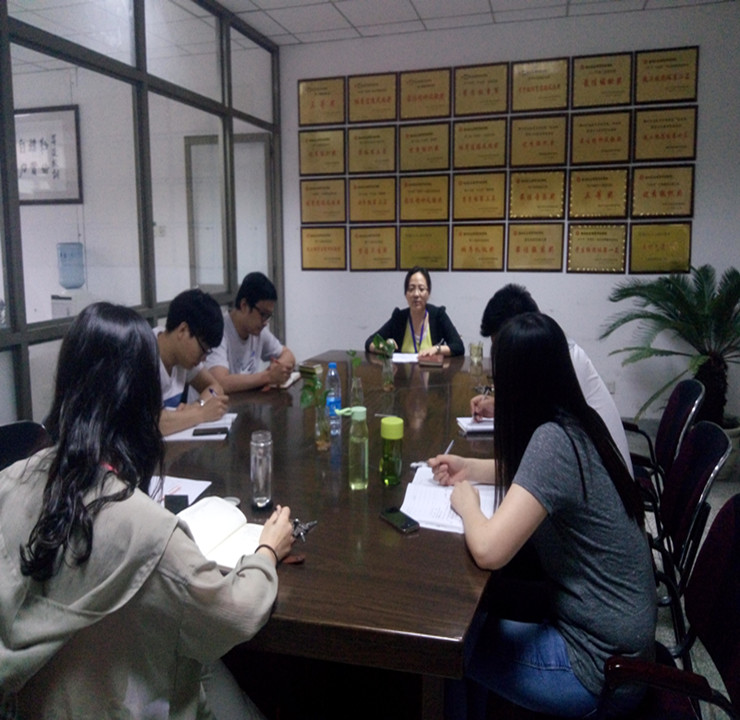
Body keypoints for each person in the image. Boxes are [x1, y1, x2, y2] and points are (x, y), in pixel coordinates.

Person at [0, 302, 295, 719]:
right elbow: (236, 613)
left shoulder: (10, 481)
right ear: (141, 397)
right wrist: (266, 552)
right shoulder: (147, 529)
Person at [430, 313, 655, 719]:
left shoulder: (554, 442)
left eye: (498, 383)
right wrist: (470, 467)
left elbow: (488, 550)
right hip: (611, 639)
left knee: (447, 648)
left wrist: (467, 504)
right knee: (474, 620)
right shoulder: (577, 421)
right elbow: (537, 481)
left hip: (598, 668)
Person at [469, 284, 633, 474]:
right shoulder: (552, 351)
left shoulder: (560, 362)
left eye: (503, 349)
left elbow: (534, 465)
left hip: (602, 474)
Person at [155, 288, 229, 436]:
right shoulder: (143, 355)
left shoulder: (182, 359)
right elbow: (149, 424)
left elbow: (215, 388)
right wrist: (201, 414)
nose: (204, 358)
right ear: (183, 330)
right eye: (203, 350)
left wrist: (198, 405)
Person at [206, 272, 296, 393]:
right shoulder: (218, 330)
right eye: (263, 314)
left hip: (244, 402)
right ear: (244, 305)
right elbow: (220, 383)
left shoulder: (258, 331)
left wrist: (279, 368)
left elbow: (288, 354)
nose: (265, 322)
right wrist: (268, 376)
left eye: (268, 316)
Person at [364, 266, 464, 357]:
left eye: (421, 289)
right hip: (403, 371)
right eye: (411, 289)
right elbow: (369, 342)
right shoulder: (399, 318)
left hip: (432, 371)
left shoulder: (438, 315)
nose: (416, 294)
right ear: (406, 294)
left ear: (428, 293)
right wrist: (384, 347)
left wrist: (437, 349)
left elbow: (458, 346)